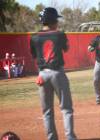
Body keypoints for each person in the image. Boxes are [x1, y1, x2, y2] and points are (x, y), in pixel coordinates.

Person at [30, 7, 76, 140]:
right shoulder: (60, 34)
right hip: (57, 73)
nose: (57, 22)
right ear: (52, 20)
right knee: (66, 109)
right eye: (56, 19)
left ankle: (51, 138)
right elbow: (66, 49)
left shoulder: (34, 37)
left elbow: (35, 55)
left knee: (47, 111)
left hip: (42, 75)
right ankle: (70, 137)